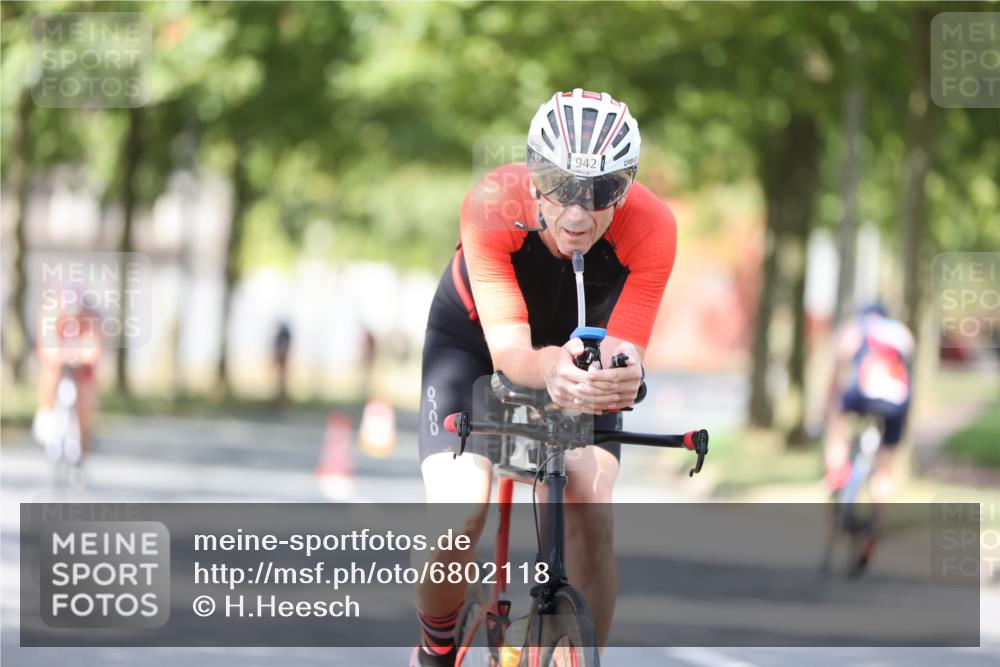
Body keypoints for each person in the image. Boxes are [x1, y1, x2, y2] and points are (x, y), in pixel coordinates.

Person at [411, 89, 677, 666]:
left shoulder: (652, 226)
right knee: (460, 510)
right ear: (532, 178)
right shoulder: (491, 203)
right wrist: (549, 368)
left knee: (591, 504)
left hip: (582, 350)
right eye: (559, 186)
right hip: (475, 344)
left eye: (602, 191)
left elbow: (625, 348)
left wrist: (622, 377)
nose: (578, 214)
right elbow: (511, 351)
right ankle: (434, 648)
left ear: (626, 186)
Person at [822, 302, 914, 560]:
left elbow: (836, 377)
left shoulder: (856, 328)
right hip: (898, 399)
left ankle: (837, 469)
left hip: (864, 393)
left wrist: (830, 411)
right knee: (884, 468)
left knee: (837, 416)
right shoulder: (902, 332)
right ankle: (875, 526)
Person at [32, 288, 103, 467]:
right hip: (58, 362)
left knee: (86, 399)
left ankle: (85, 442)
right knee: (50, 375)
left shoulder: (90, 318)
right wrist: (58, 357)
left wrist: (84, 358)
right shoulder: (52, 314)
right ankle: (45, 412)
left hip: (82, 368)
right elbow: (47, 341)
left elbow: (94, 345)